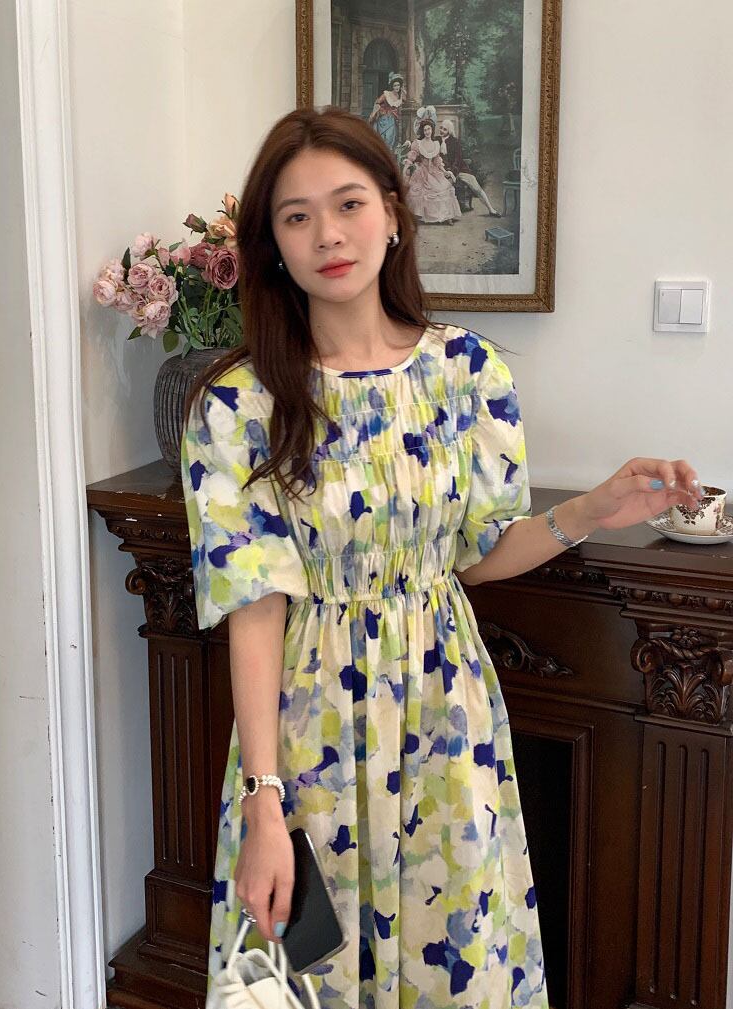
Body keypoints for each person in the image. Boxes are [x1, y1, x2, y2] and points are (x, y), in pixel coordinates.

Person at [180, 105, 703, 1009]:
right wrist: (265, 799)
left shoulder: (470, 373)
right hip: (309, 733)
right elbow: (254, 606)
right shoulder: (237, 404)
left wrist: (593, 509)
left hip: (446, 717)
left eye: (348, 203)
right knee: (303, 975)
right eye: (297, 216)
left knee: (457, 964)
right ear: (272, 243)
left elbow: (476, 555)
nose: (328, 234)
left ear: (393, 211)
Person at [438, 118, 502, 218]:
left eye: (444, 129)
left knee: (475, 186)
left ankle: (491, 209)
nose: (441, 130)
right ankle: (443, 214)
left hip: (459, 169)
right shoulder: (436, 140)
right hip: (442, 171)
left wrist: (451, 171)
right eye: (441, 128)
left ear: (449, 131)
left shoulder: (455, 142)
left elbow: (457, 159)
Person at [403, 117, 462, 225]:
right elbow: (411, 158)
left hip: (434, 171)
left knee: (443, 187)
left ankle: (446, 216)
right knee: (420, 191)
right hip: (421, 171)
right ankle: (421, 216)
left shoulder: (436, 144)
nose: (427, 132)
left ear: (432, 130)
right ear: (423, 131)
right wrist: (407, 168)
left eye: (429, 129)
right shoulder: (418, 143)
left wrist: (444, 171)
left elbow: (437, 161)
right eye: (425, 130)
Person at [368, 71, 406, 155]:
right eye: (395, 85)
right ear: (392, 86)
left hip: (393, 120)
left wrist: (403, 90)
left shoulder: (400, 96)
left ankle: (388, 155)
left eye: (398, 85)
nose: (397, 87)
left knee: (390, 138)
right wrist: (377, 112)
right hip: (384, 120)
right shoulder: (387, 94)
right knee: (383, 139)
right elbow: (377, 103)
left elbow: (405, 100)